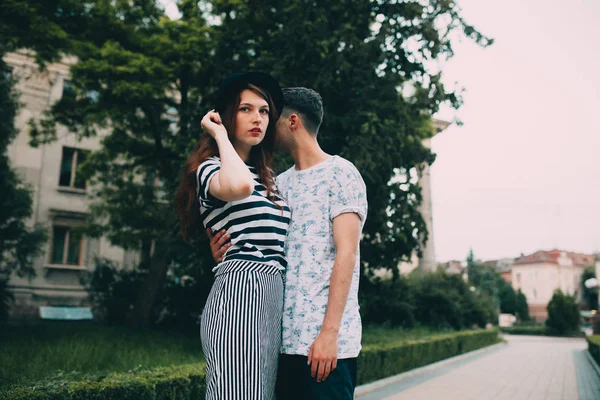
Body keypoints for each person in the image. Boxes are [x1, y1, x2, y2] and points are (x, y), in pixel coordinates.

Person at [209, 87, 367, 400]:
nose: (262, 123)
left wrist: (328, 334)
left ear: (292, 121)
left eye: (270, 114)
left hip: (324, 346)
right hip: (281, 344)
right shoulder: (278, 183)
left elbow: (347, 254)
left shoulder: (340, 173)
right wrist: (222, 250)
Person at [176, 72, 291, 400]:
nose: (258, 118)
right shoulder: (210, 168)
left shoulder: (267, 177)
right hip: (240, 294)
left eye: (264, 111)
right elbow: (238, 187)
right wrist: (219, 134)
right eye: (246, 109)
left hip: (270, 295)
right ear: (228, 116)